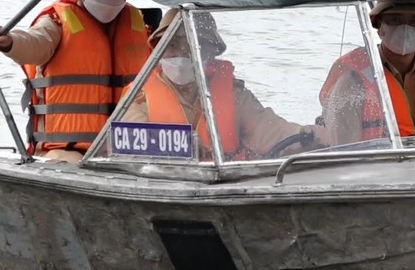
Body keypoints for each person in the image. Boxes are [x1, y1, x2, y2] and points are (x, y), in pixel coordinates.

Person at [0, 0, 152, 163]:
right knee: (71, 164)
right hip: (66, 151)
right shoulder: (56, 22)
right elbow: (34, 44)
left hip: (130, 150)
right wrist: (7, 41)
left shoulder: (139, 26)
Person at [123, 10, 326, 161]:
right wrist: (184, 144)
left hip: (222, 187)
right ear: (158, 49)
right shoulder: (138, 96)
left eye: (195, 46)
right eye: (173, 44)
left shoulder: (235, 96)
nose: (183, 53)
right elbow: (128, 139)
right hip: (164, 187)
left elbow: (273, 131)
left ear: (211, 54)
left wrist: (308, 136)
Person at [319, 0, 415, 143]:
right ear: (379, 26)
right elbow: (344, 153)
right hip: (373, 167)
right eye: (395, 20)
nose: (405, 28)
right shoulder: (351, 84)